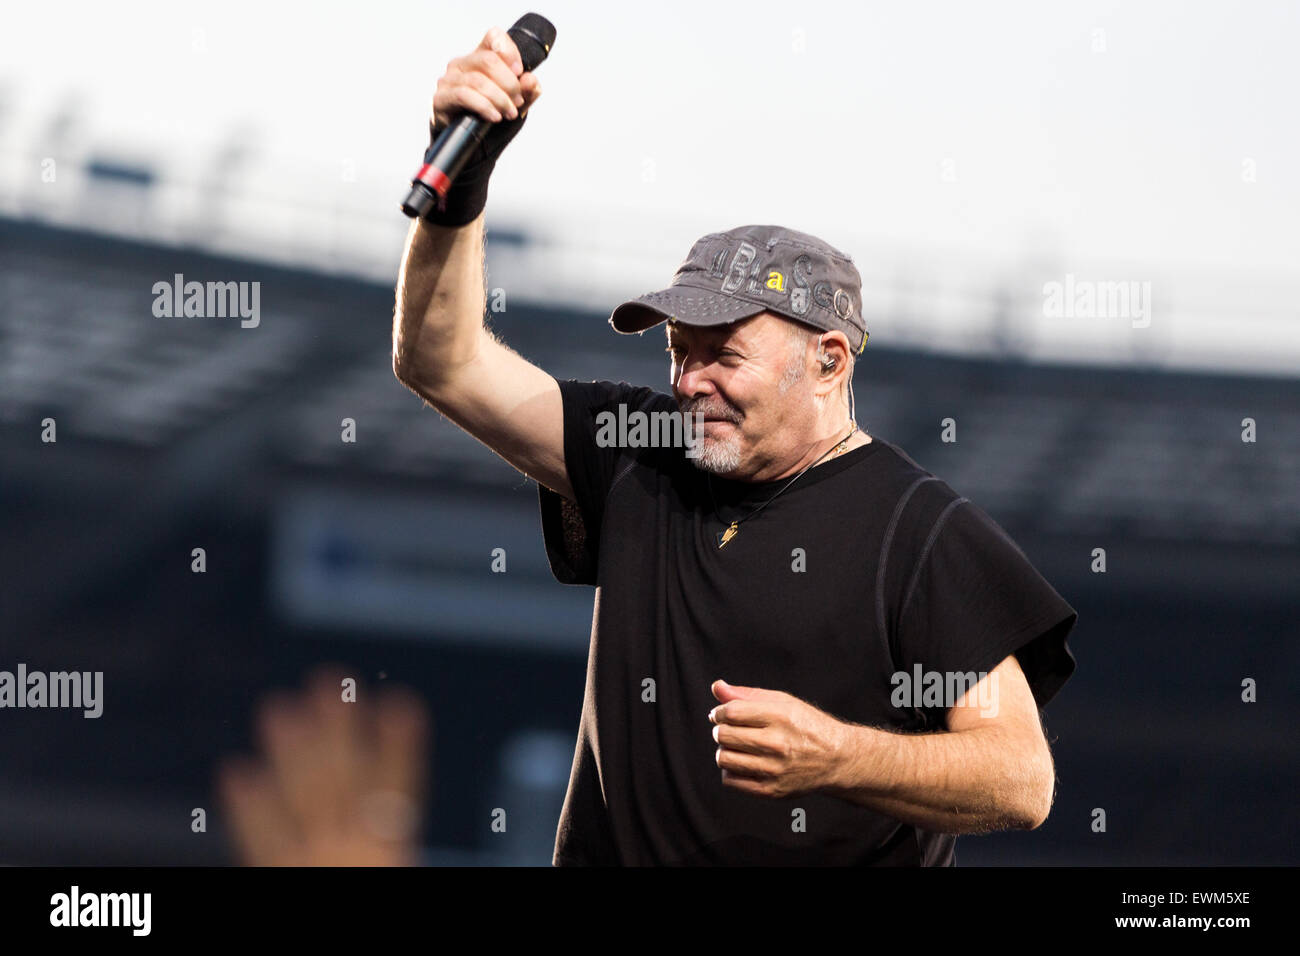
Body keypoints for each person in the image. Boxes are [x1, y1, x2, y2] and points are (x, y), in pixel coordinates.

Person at [392, 26, 1078, 866]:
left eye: (722, 353)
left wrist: (837, 754)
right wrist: (465, 173)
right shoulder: (641, 452)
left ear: (827, 363)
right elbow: (440, 359)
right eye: (678, 349)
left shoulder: (919, 532)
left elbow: (1018, 777)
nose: (688, 380)